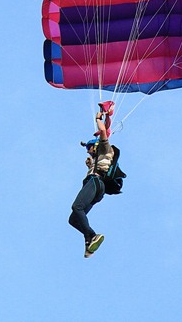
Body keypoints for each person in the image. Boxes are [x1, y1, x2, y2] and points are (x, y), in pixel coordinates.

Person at [68, 101, 115, 258]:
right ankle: (89, 242)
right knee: (73, 219)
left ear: (95, 146)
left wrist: (98, 118)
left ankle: (92, 235)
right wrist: (90, 165)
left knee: (77, 207)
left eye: (89, 148)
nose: (88, 151)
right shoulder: (97, 159)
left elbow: (103, 131)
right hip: (96, 187)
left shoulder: (105, 148)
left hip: (95, 182)